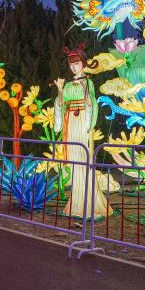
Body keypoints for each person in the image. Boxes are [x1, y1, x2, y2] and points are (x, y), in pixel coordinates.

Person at [54, 46, 111, 220]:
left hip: (81, 122)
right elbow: (61, 103)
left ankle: (89, 203)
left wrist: (85, 88)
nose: (74, 67)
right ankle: (76, 201)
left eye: (77, 64)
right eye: (71, 64)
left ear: (83, 64)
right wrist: (60, 89)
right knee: (75, 161)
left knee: (84, 159)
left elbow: (90, 103)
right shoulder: (69, 84)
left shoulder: (88, 82)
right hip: (71, 121)